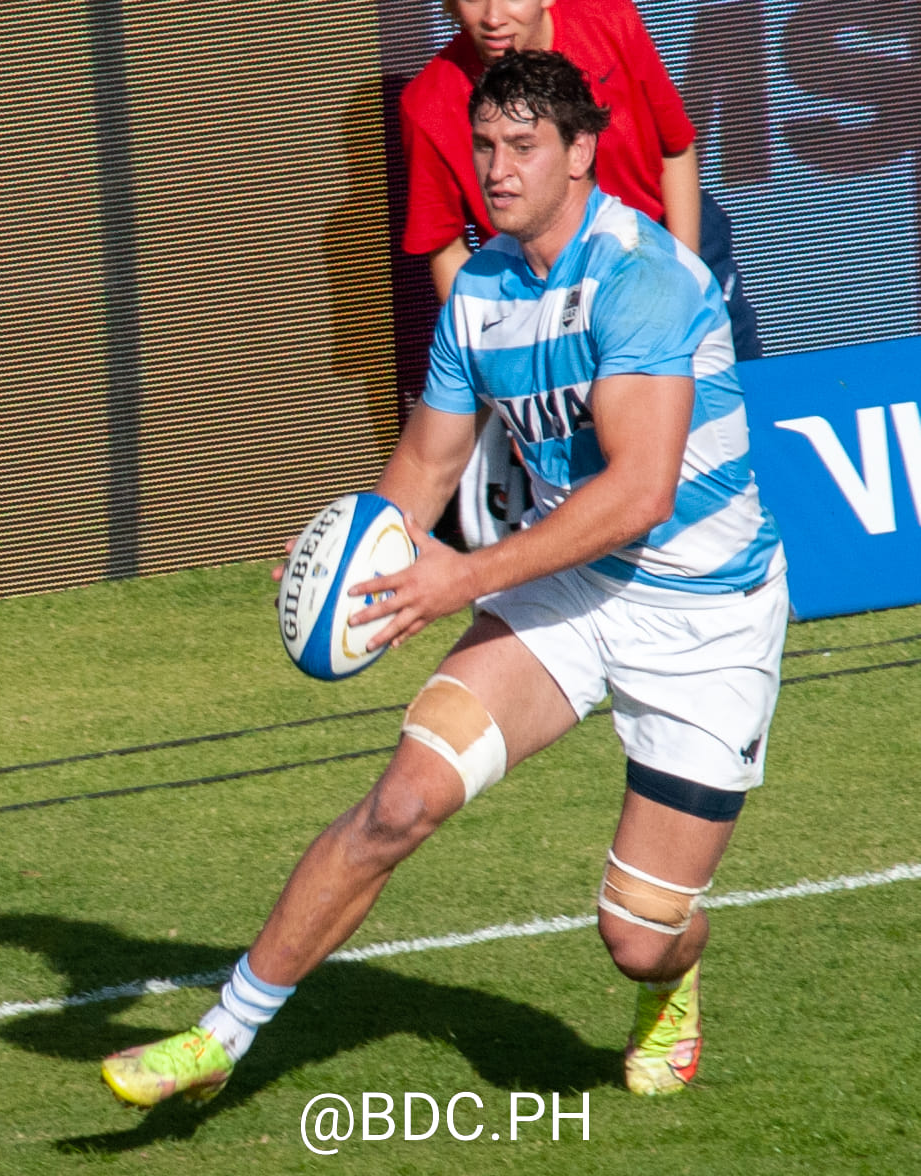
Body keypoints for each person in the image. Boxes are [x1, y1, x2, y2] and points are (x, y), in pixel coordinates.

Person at [101, 50, 788, 1107]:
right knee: (400, 803)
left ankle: (675, 976)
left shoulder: (644, 277)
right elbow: (428, 463)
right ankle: (217, 1040)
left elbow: (639, 495)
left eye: (523, 147)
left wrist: (460, 579)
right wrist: (358, 556)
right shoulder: (481, 288)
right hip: (568, 591)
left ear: (582, 154)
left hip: (705, 618)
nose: (497, 169)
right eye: (484, 146)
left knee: (636, 936)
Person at [401, 0, 761, 551]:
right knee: (611, 459)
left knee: (728, 432)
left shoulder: (610, 19)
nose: (494, 15)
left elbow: (676, 146)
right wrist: (497, 365)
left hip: (667, 247)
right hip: (547, 284)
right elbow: (444, 243)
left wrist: (683, 276)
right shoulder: (428, 100)